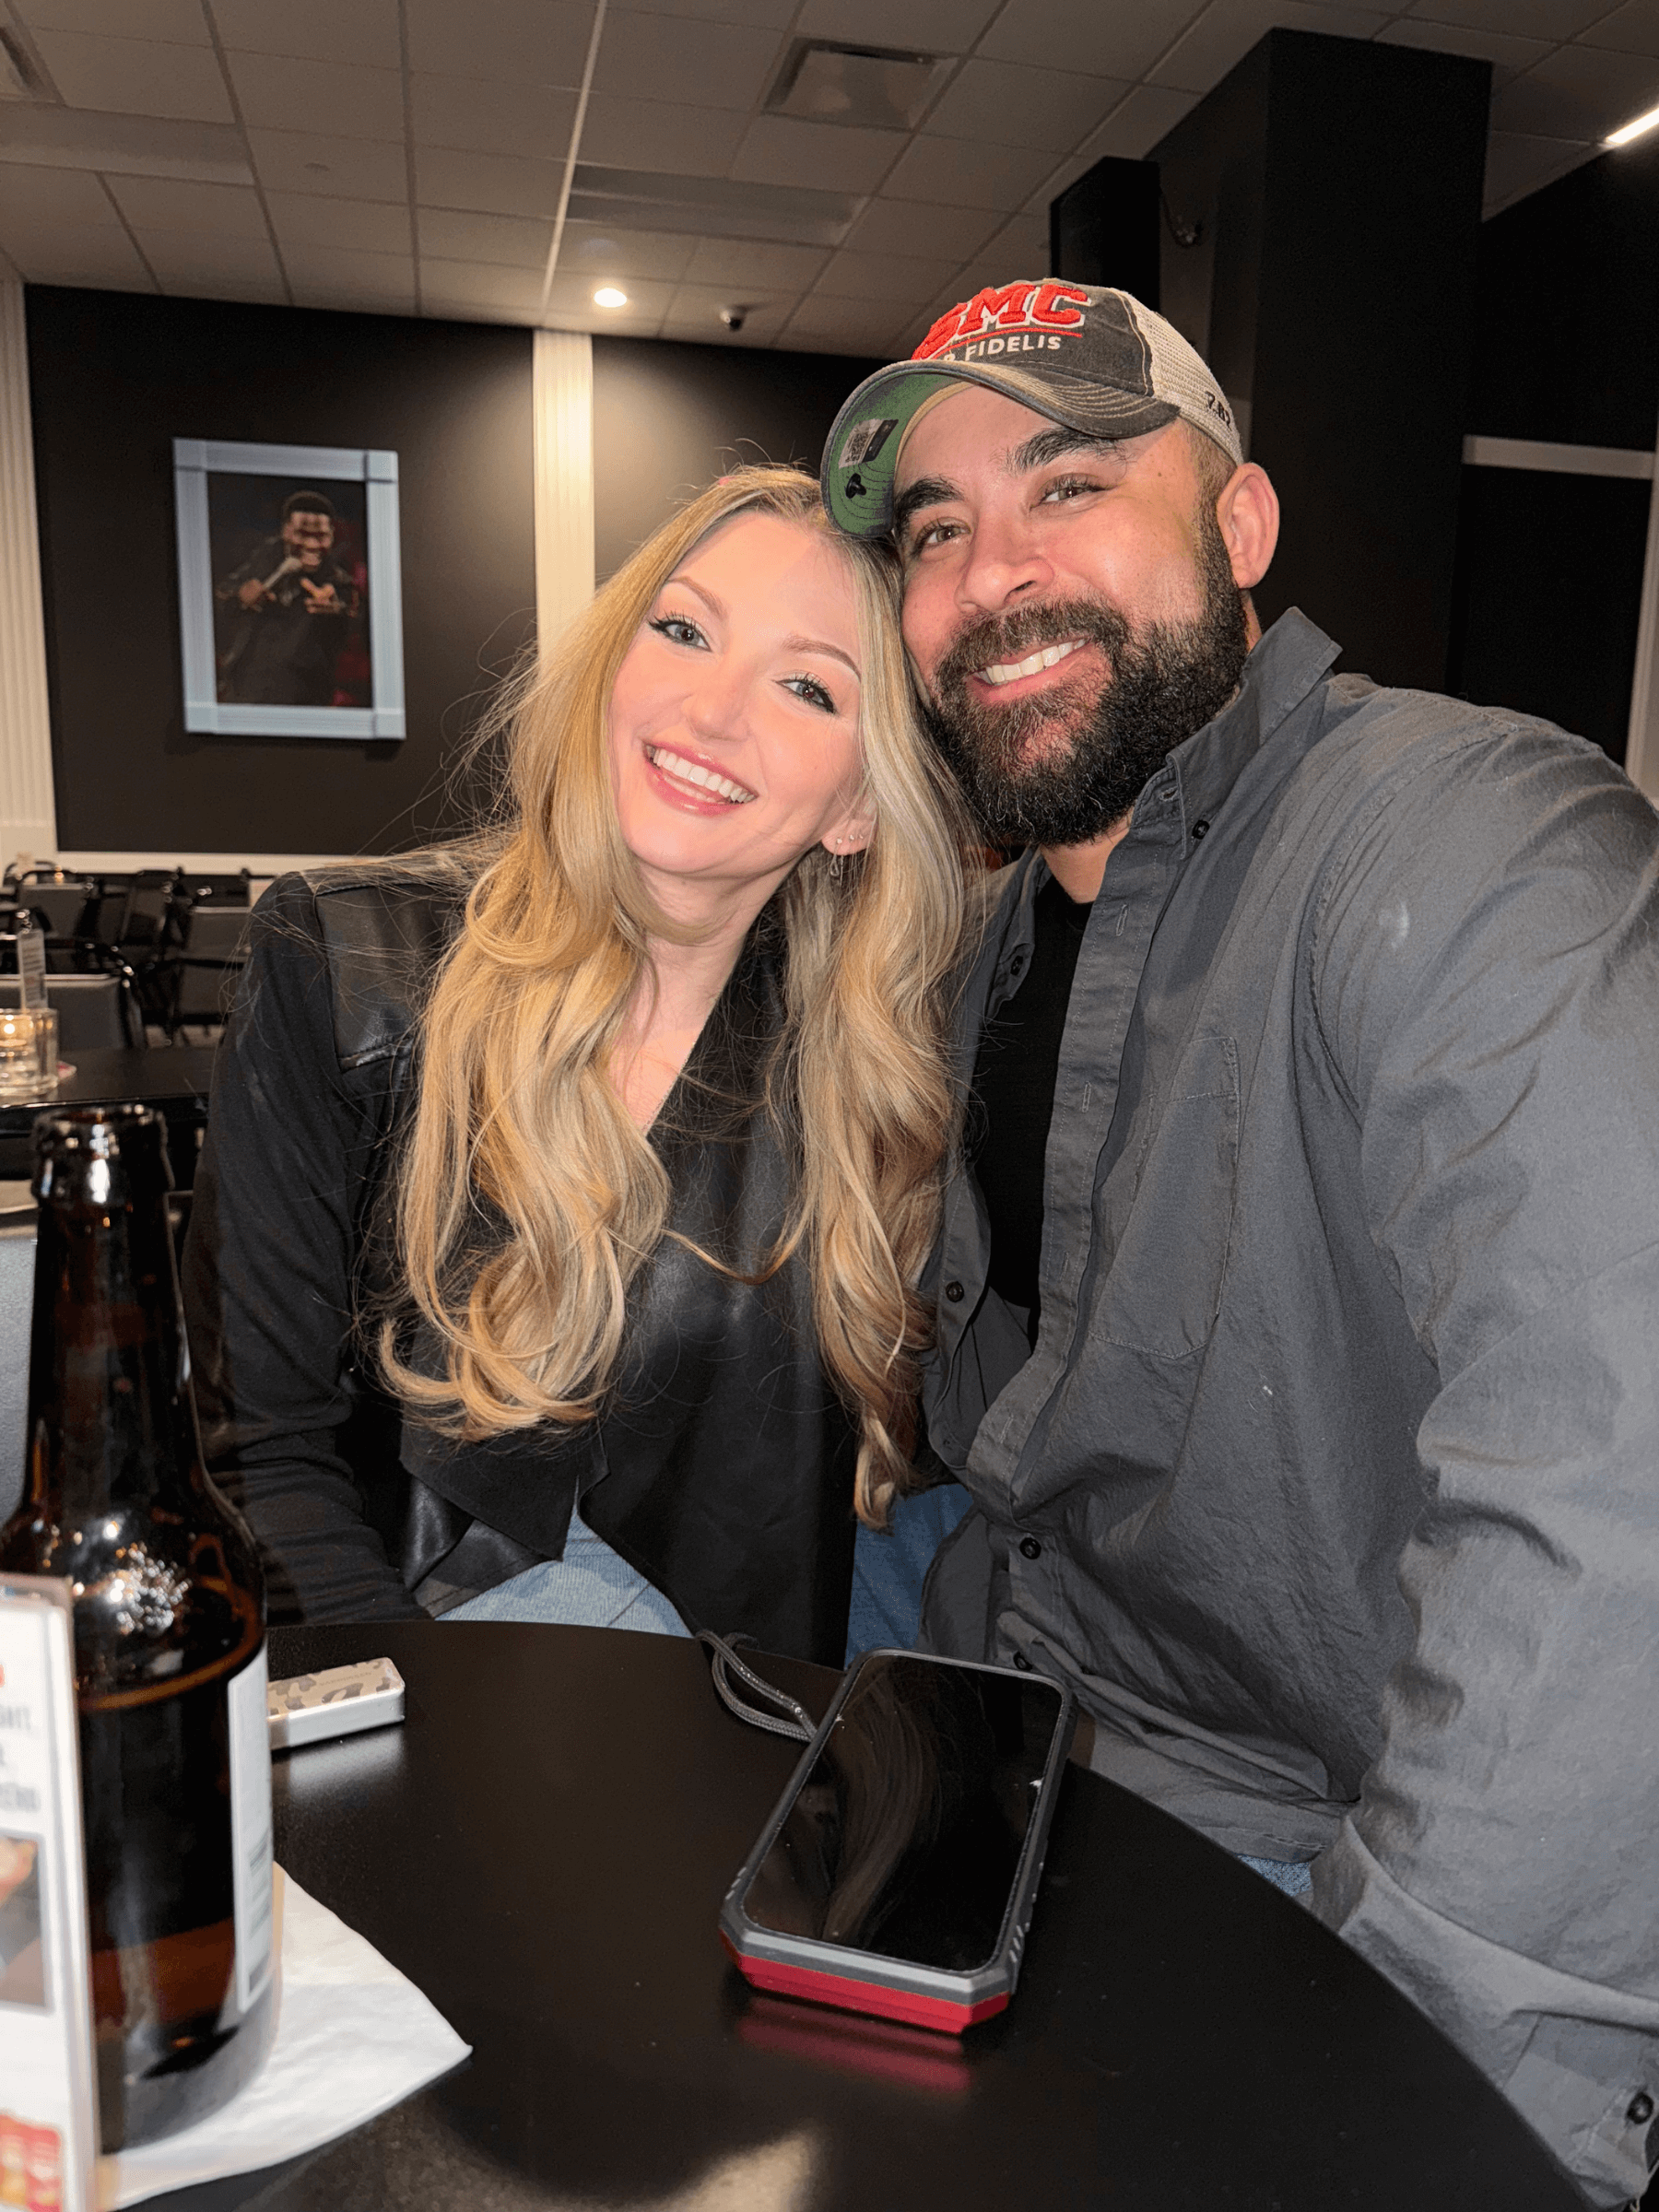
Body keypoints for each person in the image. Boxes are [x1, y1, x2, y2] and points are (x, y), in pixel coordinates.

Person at [821, 283, 1659, 2207]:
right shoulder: (992, 941)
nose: (991, 575)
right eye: (937, 530)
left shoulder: (1470, 844)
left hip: (1341, 1869)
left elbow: (1611, 1496)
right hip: (1037, 1746)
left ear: (1243, 523)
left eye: (1069, 487)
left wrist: (1413, 2106)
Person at [183, 466, 971, 1665]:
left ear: (856, 810)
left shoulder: (873, 1076)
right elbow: (263, 1457)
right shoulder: (336, 963)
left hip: (724, 1721)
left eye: (808, 686)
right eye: (684, 631)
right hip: (391, 1682)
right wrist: (413, 1729)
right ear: (609, 664)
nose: (712, 711)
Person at [215, 488, 361, 707]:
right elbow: (221, 597)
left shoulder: (335, 577)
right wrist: (240, 596)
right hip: (245, 690)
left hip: (302, 700)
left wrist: (338, 608)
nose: (312, 545)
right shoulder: (262, 557)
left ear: (331, 535)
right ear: (286, 531)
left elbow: (355, 611)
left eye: (320, 537)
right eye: (303, 534)